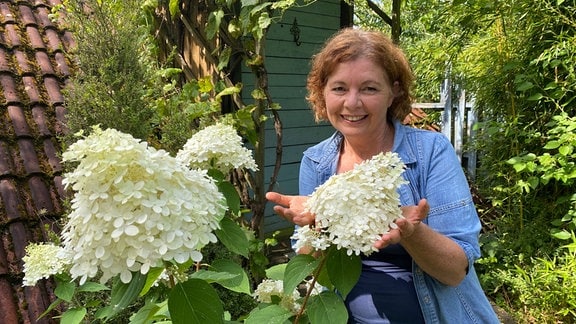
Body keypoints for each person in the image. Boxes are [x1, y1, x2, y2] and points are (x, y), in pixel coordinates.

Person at [265, 28, 500, 323]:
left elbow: (455, 271)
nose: (352, 103)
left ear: (394, 91)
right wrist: (317, 224)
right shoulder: (316, 161)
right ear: (322, 92)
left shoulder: (430, 152)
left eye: (369, 89)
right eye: (339, 88)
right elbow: (314, 265)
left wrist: (412, 234)